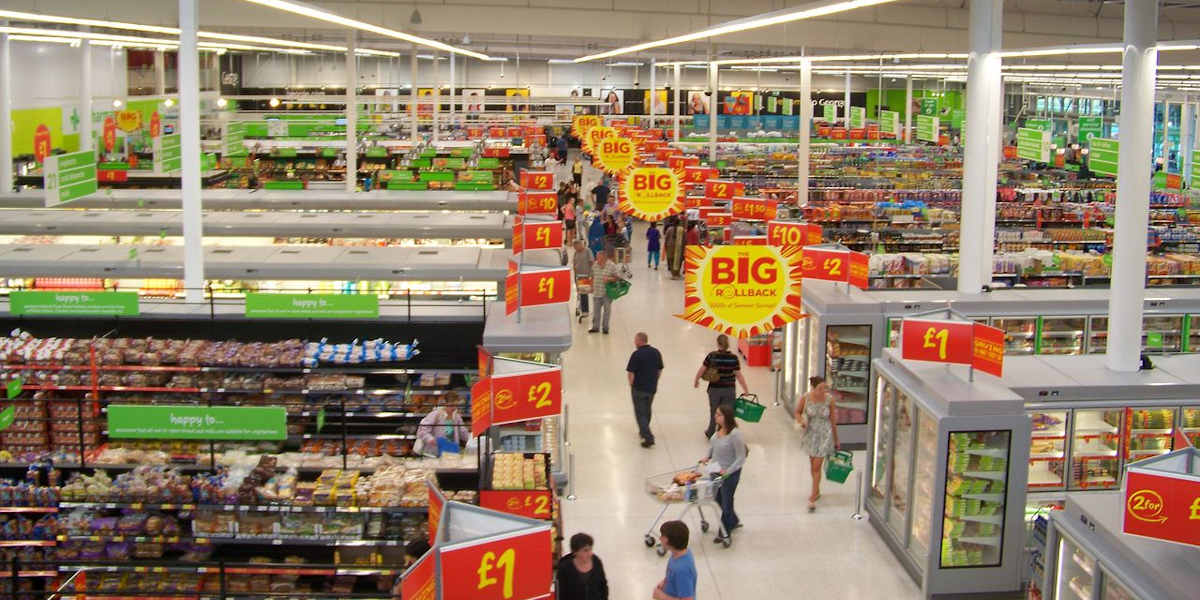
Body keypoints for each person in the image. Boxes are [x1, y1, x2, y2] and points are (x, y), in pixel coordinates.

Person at [701, 404, 746, 543]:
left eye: (718, 414)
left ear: (726, 417)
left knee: (726, 501)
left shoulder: (735, 434)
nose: (715, 416)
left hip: (729, 473)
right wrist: (707, 457)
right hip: (715, 470)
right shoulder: (718, 430)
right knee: (717, 498)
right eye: (716, 414)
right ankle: (733, 519)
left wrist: (728, 471)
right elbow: (713, 446)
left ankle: (724, 531)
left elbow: (741, 457)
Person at [796, 376, 839, 511]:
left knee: (817, 466)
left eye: (824, 388)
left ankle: (812, 497)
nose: (823, 391)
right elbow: (797, 412)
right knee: (812, 464)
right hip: (810, 433)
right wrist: (801, 421)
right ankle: (817, 490)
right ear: (813, 388)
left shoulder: (829, 400)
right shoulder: (806, 398)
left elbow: (833, 420)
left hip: (825, 434)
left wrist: (836, 439)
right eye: (820, 388)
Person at [693, 334, 749, 439]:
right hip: (729, 389)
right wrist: (746, 389)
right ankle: (727, 432)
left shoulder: (712, 356)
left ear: (718, 343)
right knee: (728, 412)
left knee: (714, 411)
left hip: (714, 389)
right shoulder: (733, 358)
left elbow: (702, 369)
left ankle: (711, 432)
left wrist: (696, 380)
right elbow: (739, 375)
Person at [626, 332, 664, 448]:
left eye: (635, 340)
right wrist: (655, 380)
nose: (634, 342)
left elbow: (631, 372)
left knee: (640, 413)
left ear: (639, 341)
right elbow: (659, 369)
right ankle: (644, 430)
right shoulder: (656, 352)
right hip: (651, 388)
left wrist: (632, 385)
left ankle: (648, 437)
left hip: (639, 388)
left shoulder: (636, 354)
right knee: (647, 410)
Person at [556, 532, 609, 600]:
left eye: (590, 549)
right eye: (585, 550)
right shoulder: (564, 568)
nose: (590, 553)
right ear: (575, 552)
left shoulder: (596, 562)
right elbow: (560, 594)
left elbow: (603, 586)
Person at [653, 521, 696, 600]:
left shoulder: (682, 570)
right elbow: (672, 573)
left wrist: (662, 597)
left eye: (662, 536)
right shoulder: (681, 552)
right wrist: (665, 581)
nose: (660, 538)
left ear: (668, 541)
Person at [589, 250, 620, 334]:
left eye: (598, 257)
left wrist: (609, 279)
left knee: (607, 311)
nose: (597, 259)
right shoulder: (595, 265)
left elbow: (617, 278)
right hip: (597, 291)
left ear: (604, 258)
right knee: (596, 311)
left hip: (607, 293)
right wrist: (591, 287)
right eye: (597, 257)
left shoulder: (612, 265)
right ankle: (595, 327)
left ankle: (605, 328)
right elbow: (592, 276)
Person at [572, 239, 593, 319]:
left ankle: (585, 311)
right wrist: (575, 274)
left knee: (584, 293)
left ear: (580, 245)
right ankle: (580, 308)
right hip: (578, 276)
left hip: (585, 275)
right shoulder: (576, 252)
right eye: (574, 248)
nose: (575, 249)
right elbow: (574, 263)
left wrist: (591, 274)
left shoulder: (588, 251)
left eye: (576, 247)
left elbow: (591, 262)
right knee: (579, 293)